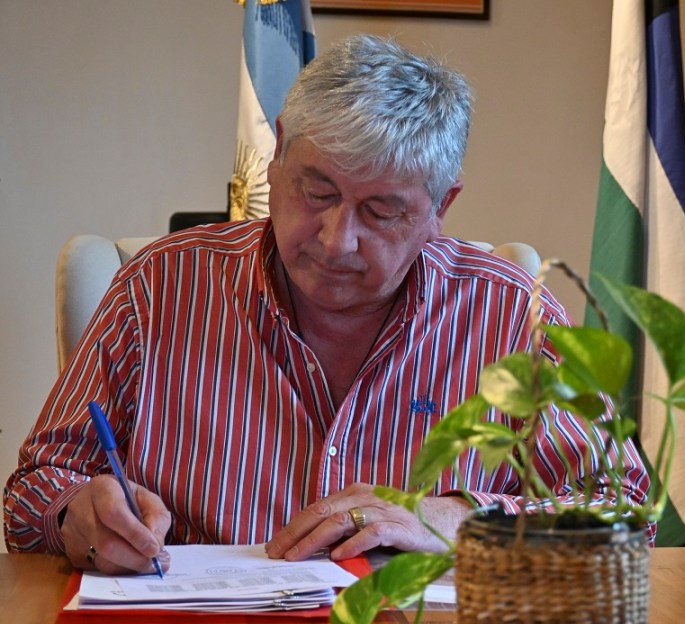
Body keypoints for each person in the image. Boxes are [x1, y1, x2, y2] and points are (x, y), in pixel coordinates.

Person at [3, 34, 649, 575]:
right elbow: (31, 494)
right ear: (278, 156)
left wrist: (458, 518)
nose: (337, 241)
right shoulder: (159, 289)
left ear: (441, 208)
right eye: (316, 192)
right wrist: (77, 515)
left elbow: (623, 513)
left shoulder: (509, 315)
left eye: (382, 211)